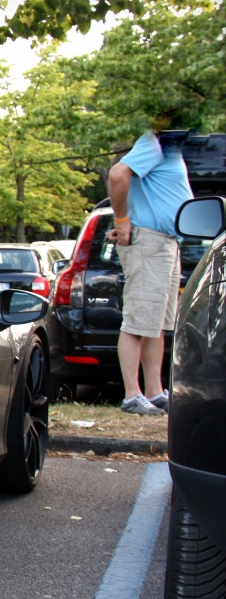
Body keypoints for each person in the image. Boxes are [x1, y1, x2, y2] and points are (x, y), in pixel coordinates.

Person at [106, 119, 194, 416]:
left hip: (167, 242)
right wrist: (121, 221)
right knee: (137, 320)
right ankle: (132, 395)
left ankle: (154, 392)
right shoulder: (152, 143)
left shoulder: (168, 148)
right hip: (149, 242)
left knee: (156, 324)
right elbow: (118, 174)